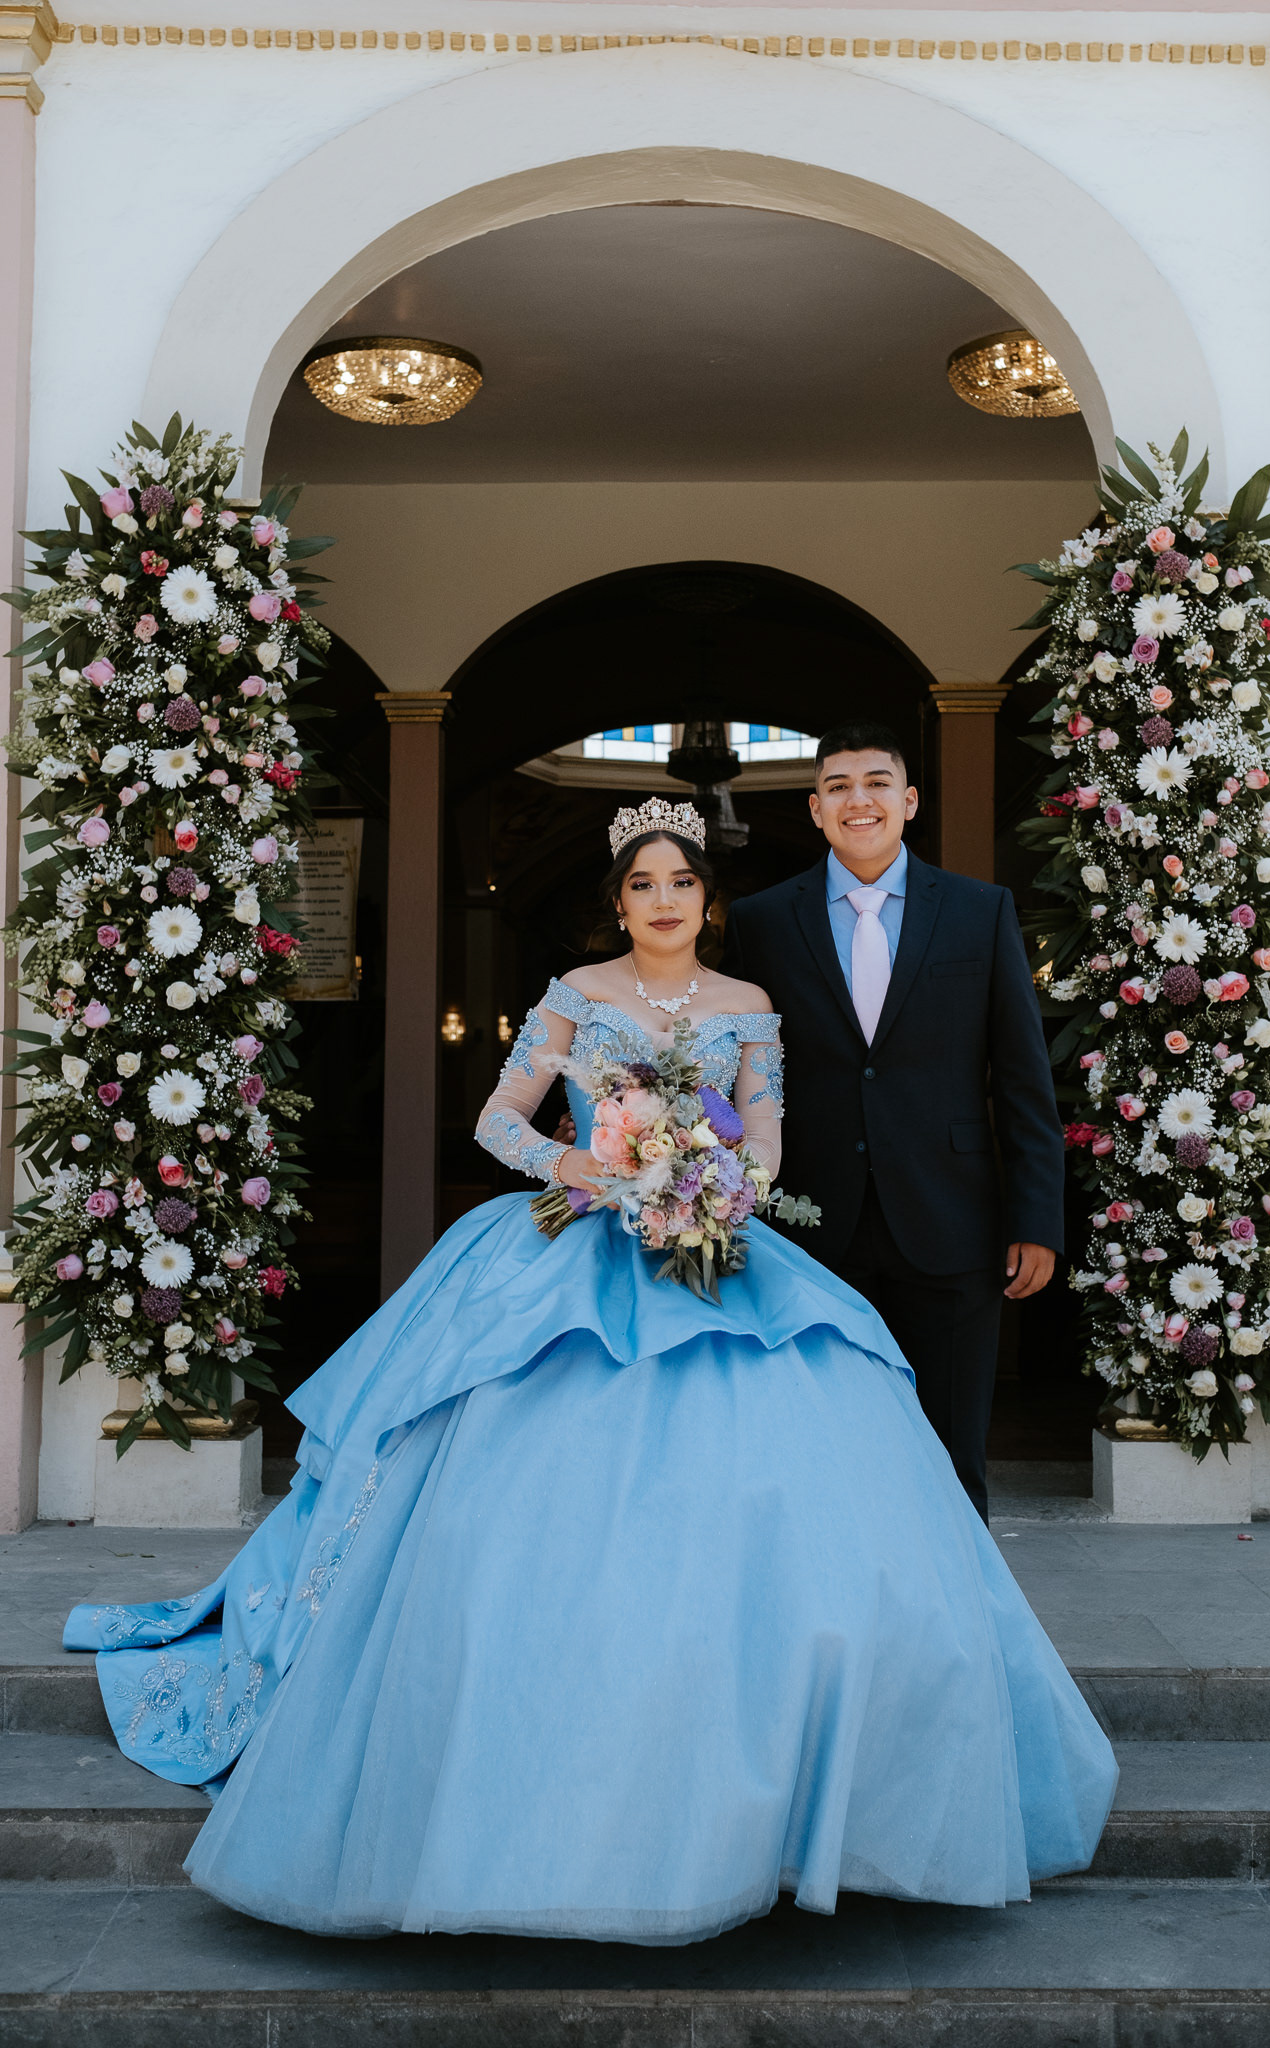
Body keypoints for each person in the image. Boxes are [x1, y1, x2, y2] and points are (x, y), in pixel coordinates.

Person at [65, 795, 1114, 1945]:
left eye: (682, 883)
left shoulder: (747, 1005)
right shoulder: (575, 993)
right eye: (642, 884)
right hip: (572, 1242)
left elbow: (765, 1127)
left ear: (708, 901)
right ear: (617, 901)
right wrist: (581, 1165)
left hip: (710, 1243)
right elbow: (498, 1118)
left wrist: (727, 1183)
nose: (664, 900)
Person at [722, 723, 1064, 1523]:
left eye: (877, 783)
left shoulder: (980, 911)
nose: (859, 800)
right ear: (815, 809)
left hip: (953, 1221)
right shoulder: (762, 921)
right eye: (838, 786)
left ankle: (959, 1601)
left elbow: (1022, 1079)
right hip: (809, 1227)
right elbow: (732, 1071)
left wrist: (1037, 1219)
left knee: (950, 1457)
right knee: (821, 1453)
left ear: (908, 802)